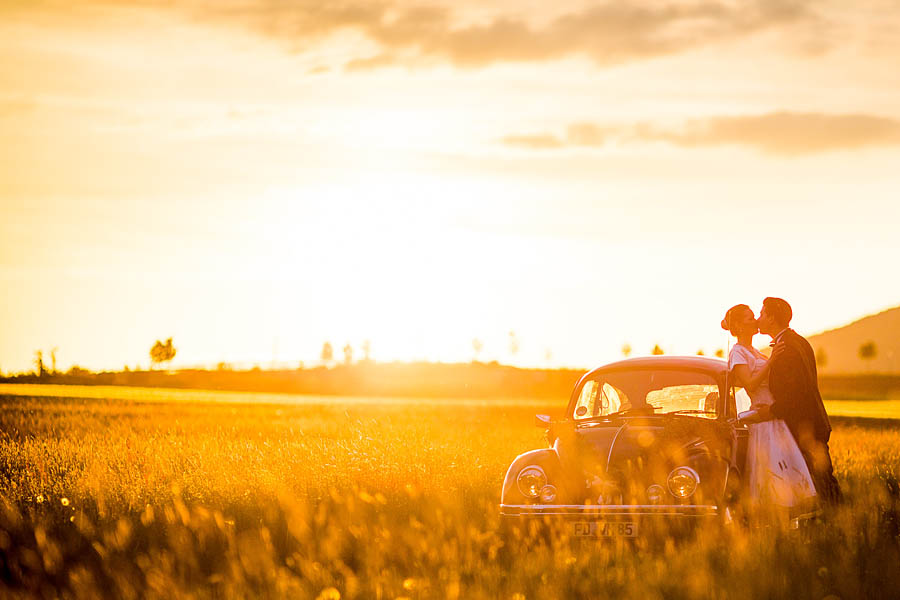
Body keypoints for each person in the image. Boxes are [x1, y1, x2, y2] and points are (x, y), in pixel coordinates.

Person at [721, 304, 817, 513]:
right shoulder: (737, 352)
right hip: (763, 420)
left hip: (774, 416)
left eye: (755, 316)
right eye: (749, 318)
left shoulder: (754, 351)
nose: (755, 320)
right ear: (738, 325)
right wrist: (772, 361)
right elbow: (750, 384)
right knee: (772, 474)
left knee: (788, 474)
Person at [757, 297, 842, 505]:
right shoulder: (798, 341)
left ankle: (834, 522)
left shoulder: (787, 349)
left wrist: (769, 411)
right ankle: (834, 521)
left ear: (772, 318)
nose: (759, 319)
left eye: (762, 314)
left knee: (818, 481)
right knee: (821, 479)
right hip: (812, 423)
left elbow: (794, 393)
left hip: (805, 427)